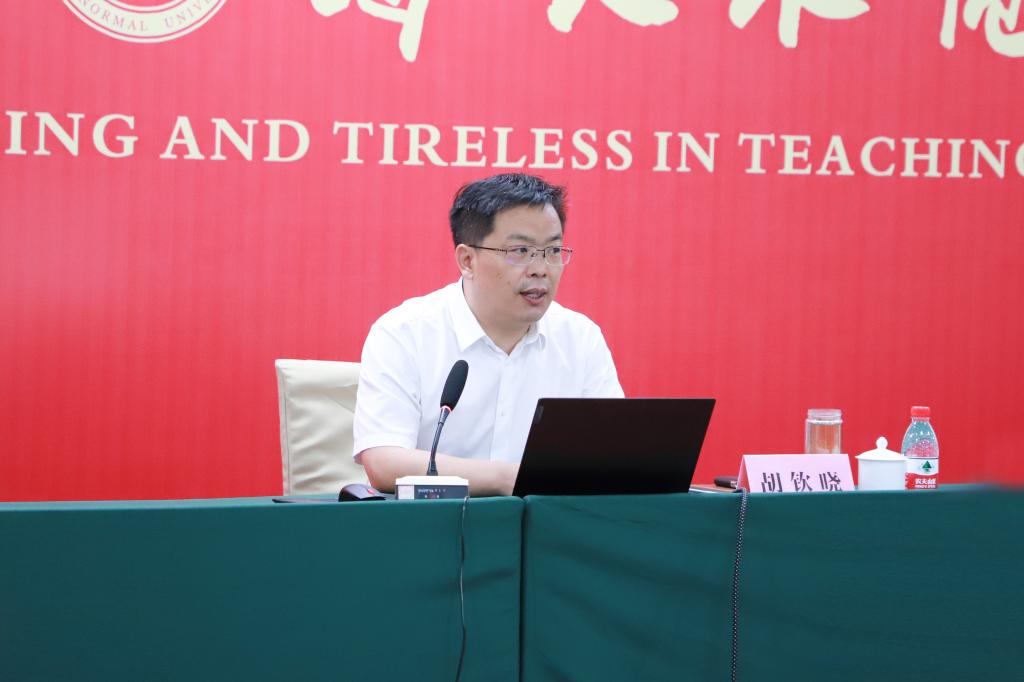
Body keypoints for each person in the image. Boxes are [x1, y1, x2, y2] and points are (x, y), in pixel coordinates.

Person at [353, 173, 623, 495]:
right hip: (437, 521)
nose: (541, 269)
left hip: (547, 523)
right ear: (468, 260)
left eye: (553, 250)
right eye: (520, 250)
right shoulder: (404, 333)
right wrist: (510, 479)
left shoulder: (580, 339)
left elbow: (612, 455)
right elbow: (384, 462)